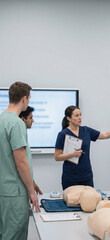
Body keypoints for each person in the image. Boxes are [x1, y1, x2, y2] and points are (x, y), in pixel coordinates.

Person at [0, 82, 40, 240]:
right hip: (14, 193)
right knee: (14, 235)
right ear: (24, 99)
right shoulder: (16, 123)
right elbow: (20, 162)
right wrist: (31, 191)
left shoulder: (2, 119)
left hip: (3, 191)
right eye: (29, 98)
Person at [55, 105, 110, 190]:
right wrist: (72, 154)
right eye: (76, 116)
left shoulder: (86, 130)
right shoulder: (62, 134)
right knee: (72, 202)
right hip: (70, 177)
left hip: (86, 176)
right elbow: (57, 157)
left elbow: (106, 135)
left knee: (89, 201)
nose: (80, 118)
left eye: (80, 115)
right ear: (69, 118)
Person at [19, 106, 43, 194]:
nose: (33, 120)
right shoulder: (18, 137)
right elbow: (20, 164)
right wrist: (31, 190)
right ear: (22, 119)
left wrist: (32, 183)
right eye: (30, 118)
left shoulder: (23, 136)